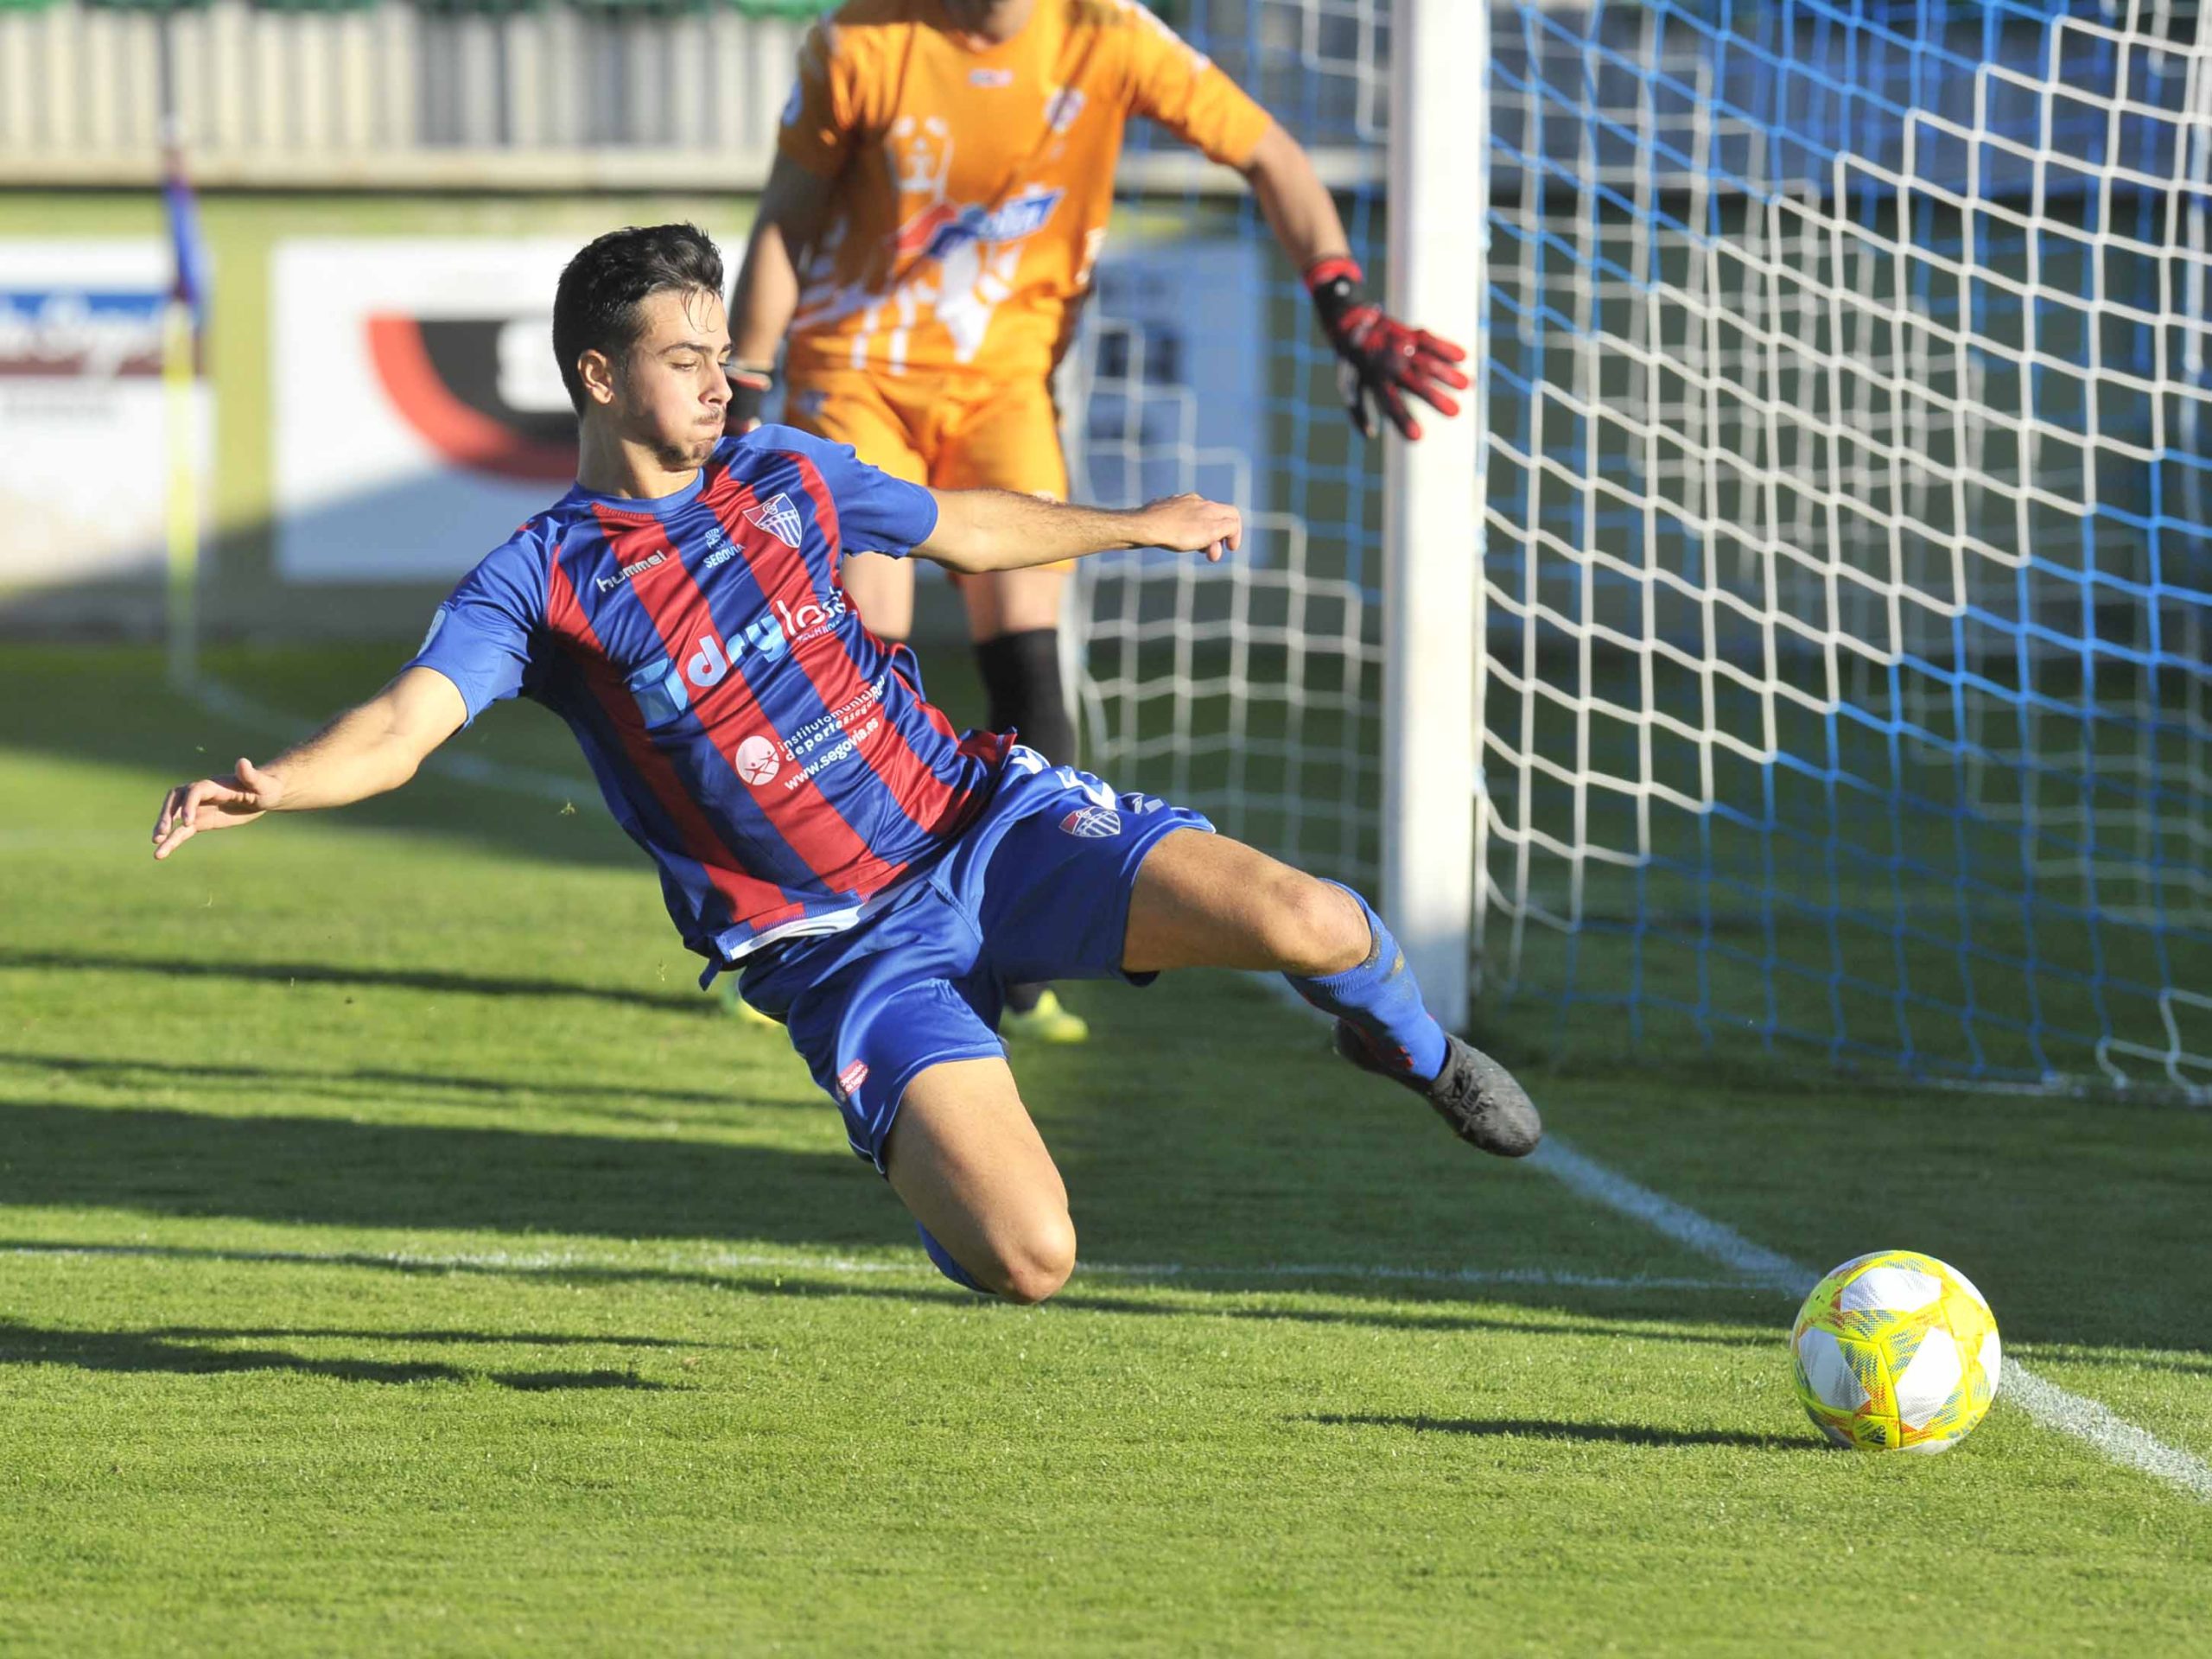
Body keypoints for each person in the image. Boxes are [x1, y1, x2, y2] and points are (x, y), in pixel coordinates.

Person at [150, 225, 1535, 1306]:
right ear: (598, 376)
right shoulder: (541, 581)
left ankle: (1405, 1049)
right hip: (840, 950)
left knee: (1318, 922)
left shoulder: (789, 473)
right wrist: (280, 781)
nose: (719, 375)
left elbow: (965, 528)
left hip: (988, 827)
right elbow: (405, 723)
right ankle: (942, 1171)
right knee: (1030, 1258)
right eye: (685, 356)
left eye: (718, 351)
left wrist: (1133, 524)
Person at [724, 0, 1468, 1041]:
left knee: (1028, 664)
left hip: (1004, 392)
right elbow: (785, 222)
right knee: (859, 667)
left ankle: (1022, 975)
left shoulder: (1109, 34)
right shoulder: (864, 41)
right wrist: (746, 386)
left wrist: (1344, 305)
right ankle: (825, 940)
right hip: (856, 386)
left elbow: (1274, 156)